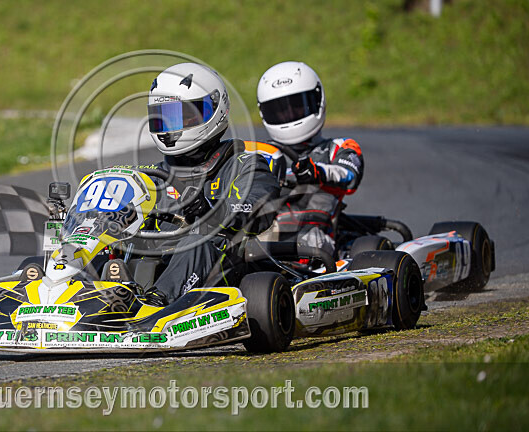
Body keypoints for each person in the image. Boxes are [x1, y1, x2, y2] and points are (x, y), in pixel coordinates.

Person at [139, 62, 280, 306]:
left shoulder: (243, 163)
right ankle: (74, 296)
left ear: (215, 108)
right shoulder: (152, 176)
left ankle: (153, 306)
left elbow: (259, 208)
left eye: (184, 115)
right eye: (165, 118)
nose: (173, 127)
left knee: (198, 237)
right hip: (157, 259)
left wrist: (212, 211)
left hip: (222, 264)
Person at [246, 61, 364, 256]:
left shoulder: (339, 148)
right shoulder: (261, 155)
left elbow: (348, 177)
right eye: (280, 110)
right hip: (260, 235)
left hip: (312, 237)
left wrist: (317, 172)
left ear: (317, 100)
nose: (290, 115)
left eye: (298, 106)